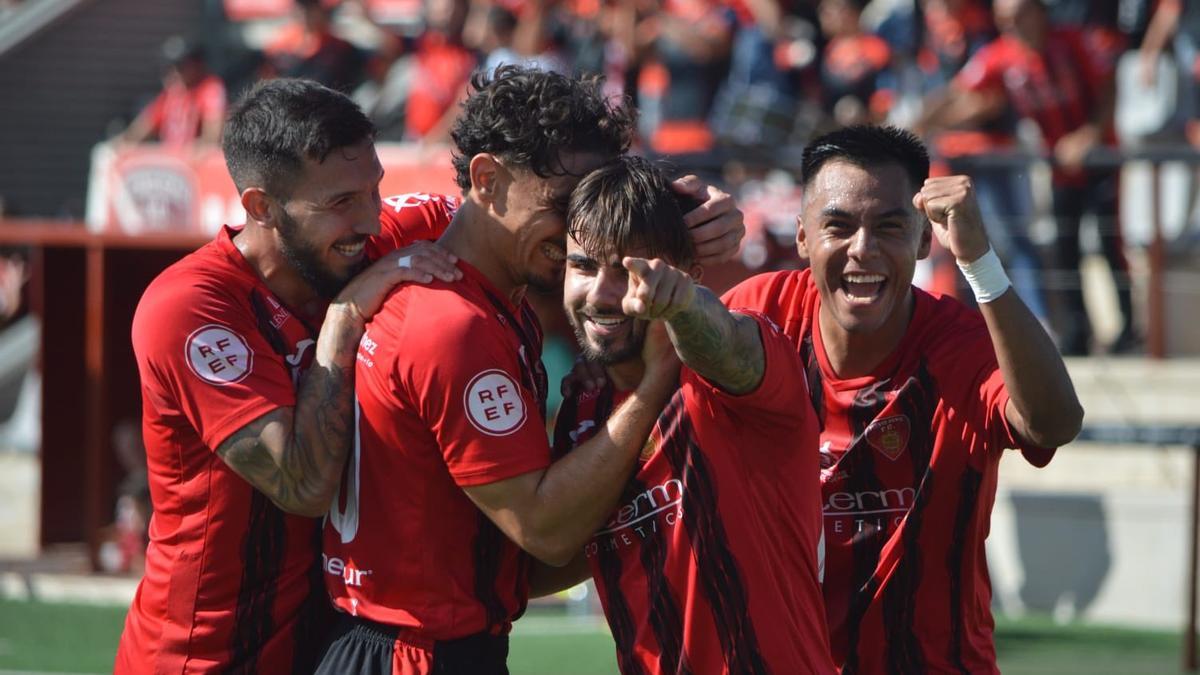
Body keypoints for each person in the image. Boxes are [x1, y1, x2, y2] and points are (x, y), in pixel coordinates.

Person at [314, 65, 745, 673]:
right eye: (564, 204)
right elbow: (544, 533)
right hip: (414, 654)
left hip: (411, 641)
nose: (581, 229)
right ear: (488, 179)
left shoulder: (473, 280)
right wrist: (650, 388)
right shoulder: (453, 324)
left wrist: (689, 213)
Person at [114, 78, 463, 673]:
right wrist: (345, 319)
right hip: (204, 657)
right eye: (341, 202)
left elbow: (512, 217)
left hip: (322, 648)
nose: (370, 219)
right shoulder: (191, 307)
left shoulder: (366, 240)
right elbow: (302, 486)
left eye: (374, 188)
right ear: (261, 207)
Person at [720, 125, 1083, 673]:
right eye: (838, 226)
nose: (862, 249)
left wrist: (980, 262)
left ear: (923, 241)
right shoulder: (759, 314)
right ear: (802, 237)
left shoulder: (958, 345)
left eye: (888, 227)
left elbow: (1054, 424)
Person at [535, 155, 835, 674]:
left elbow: (732, 348)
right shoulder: (583, 407)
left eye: (629, 271)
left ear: (690, 275)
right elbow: (544, 559)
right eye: (583, 266)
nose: (601, 294)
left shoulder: (741, 372)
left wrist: (685, 308)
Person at [954, 0, 1135, 354]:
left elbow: (1109, 85)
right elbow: (959, 92)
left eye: (1019, 16)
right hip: (1059, 168)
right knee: (1066, 248)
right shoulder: (1001, 54)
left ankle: (1129, 329)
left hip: (1100, 159)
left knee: (1109, 242)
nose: (1013, 26)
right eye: (1004, 20)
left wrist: (1090, 135)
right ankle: (1077, 334)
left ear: (1038, 12)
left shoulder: (1072, 41)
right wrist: (917, 123)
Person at [118, 37, 226, 147]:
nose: (174, 73)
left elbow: (212, 138)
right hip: (170, 156)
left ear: (196, 65)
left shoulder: (210, 88)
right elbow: (140, 130)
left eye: (180, 67)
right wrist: (120, 145)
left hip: (193, 156)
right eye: (169, 68)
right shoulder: (172, 94)